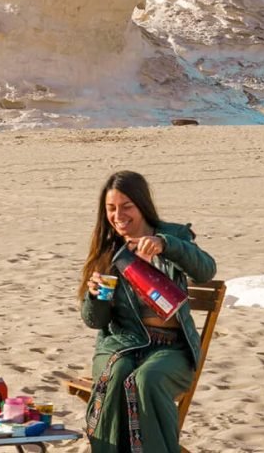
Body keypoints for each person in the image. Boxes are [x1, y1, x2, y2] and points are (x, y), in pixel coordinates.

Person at [78, 170, 216, 453]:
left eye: (126, 206)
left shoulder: (172, 237)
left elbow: (205, 270)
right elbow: (96, 321)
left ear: (142, 205)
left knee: (146, 378)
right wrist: (95, 296)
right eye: (111, 209)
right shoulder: (109, 253)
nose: (118, 215)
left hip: (171, 350)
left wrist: (167, 246)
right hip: (122, 345)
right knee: (118, 375)